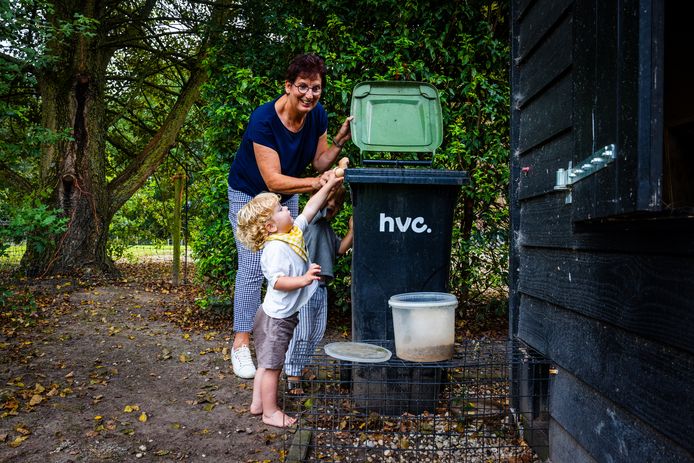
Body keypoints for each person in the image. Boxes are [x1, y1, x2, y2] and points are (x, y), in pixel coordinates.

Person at [227, 53, 353, 379]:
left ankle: (283, 346)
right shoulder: (263, 120)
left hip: (285, 198)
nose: (309, 95)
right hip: (250, 195)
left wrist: (338, 141)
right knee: (253, 266)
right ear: (288, 86)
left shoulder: (317, 115)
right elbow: (272, 179)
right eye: (302, 87)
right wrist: (316, 184)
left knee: (294, 260)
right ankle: (241, 343)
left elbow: (319, 163)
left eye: (315, 88)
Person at [235, 171, 343, 428]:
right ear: (270, 226)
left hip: (276, 315)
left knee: (265, 363)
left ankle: (257, 404)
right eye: (281, 208)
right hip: (276, 319)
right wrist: (304, 279)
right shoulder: (274, 249)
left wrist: (328, 186)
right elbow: (278, 282)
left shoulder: (291, 233)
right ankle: (270, 412)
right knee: (272, 367)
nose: (287, 209)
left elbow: (310, 207)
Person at [284, 184, 353, 394]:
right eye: (328, 202)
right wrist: (336, 180)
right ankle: (292, 374)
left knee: (316, 331)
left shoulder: (327, 228)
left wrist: (353, 229)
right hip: (305, 287)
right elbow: (321, 205)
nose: (332, 206)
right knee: (302, 331)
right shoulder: (312, 221)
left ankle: (302, 366)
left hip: (321, 287)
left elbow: (340, 249)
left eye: (337, 204)